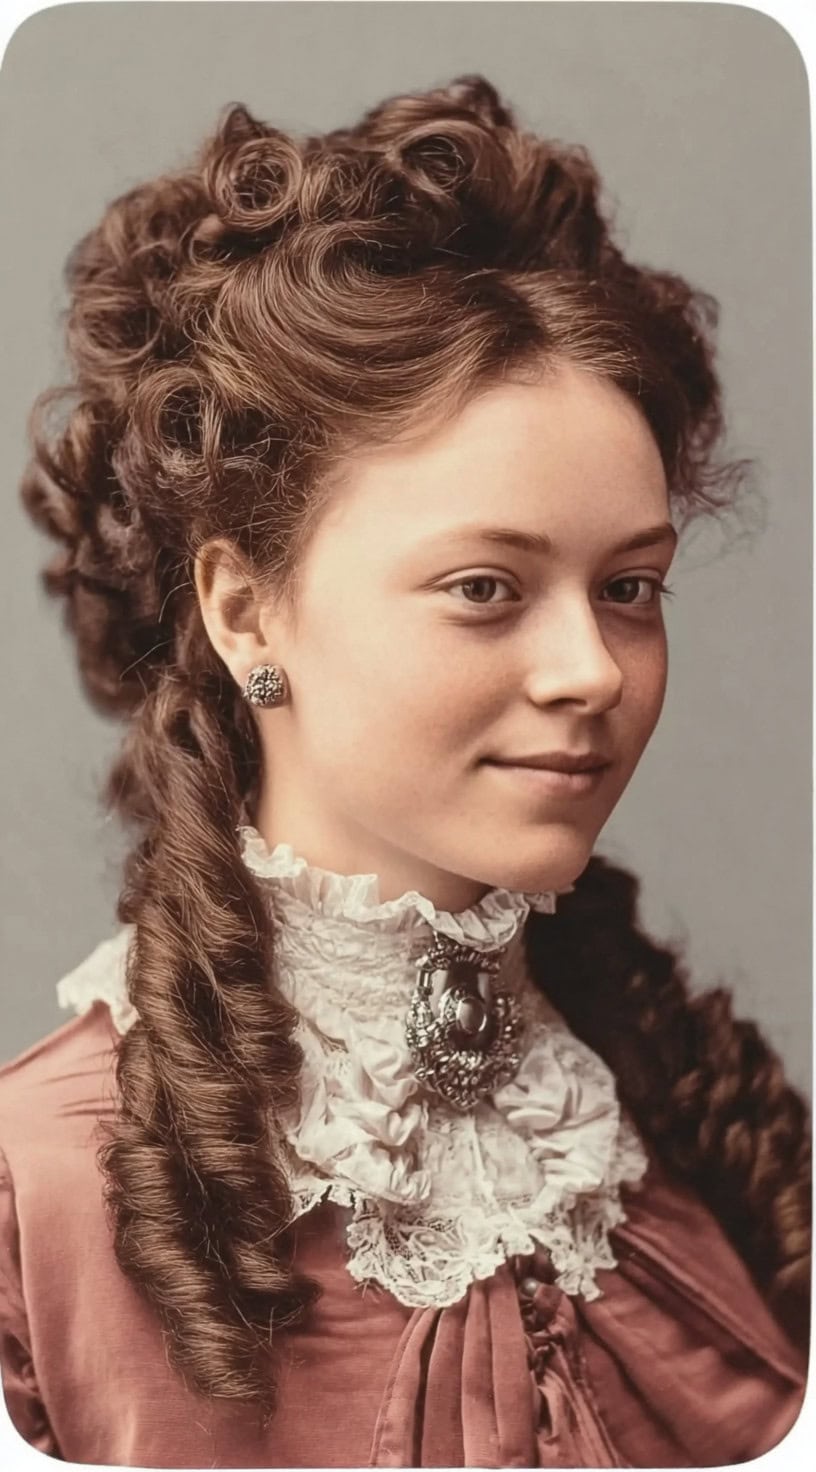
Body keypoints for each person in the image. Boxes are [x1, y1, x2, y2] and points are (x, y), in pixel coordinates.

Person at [0, 73, 809, 1469]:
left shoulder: (675, 1108)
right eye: (488, 586)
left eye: (631, 589)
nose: (594, 672)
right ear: (246, 611)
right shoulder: (39, 1190)